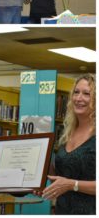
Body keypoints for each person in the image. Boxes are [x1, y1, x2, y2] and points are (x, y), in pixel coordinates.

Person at [39, 74, 96, 214]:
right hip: (63, 210)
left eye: (87, 94)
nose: (78, 98)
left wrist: (72, 185)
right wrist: (41, 169)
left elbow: (68, 183)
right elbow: (61, 180)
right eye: (76, 92)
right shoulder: (67, 133)